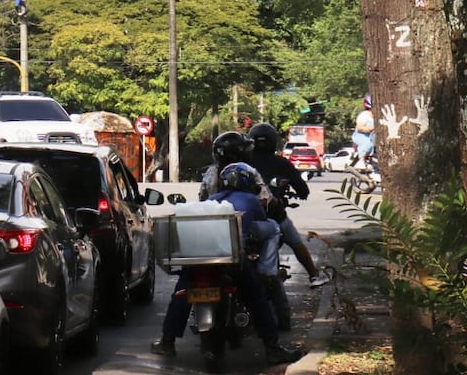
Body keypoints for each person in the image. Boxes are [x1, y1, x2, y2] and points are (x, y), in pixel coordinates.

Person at [152, 162, 304, 365]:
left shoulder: (213, 199)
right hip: (231, 260)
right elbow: (262, 227)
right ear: (248, 182)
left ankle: (167, 341)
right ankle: (272, 347)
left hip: (200, 259)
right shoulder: (252, 199)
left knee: (182, 292)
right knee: (256, 295)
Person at [246, 122, 330, 290]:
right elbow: (303, 190)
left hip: (245, 217)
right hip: (273, 214)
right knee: (295, 241)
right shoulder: (282, 163)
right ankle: (313, 275)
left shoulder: (243, 162)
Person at [350, 94, 376, 167]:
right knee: (369, 144)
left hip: (374, 136)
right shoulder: (364, 115)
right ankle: (362, 160)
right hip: (362, 136)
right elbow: (360, 127)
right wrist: (371, 129)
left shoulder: (379, 115)